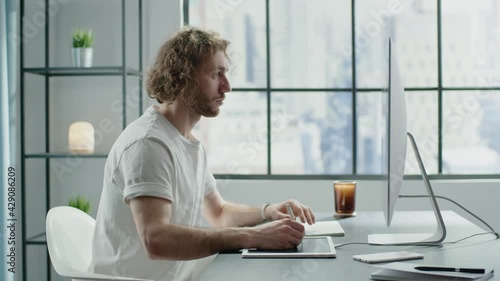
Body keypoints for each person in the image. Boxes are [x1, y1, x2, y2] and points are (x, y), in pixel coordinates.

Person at [89, 26, 316, 281]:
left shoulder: (187, 142)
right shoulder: (148, 144)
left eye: (225, 74)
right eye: (215, 74)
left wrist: (268, 211)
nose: (227, 86)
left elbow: (218, 213)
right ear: (182, 77)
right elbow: (156, 239)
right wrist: (257, 236)